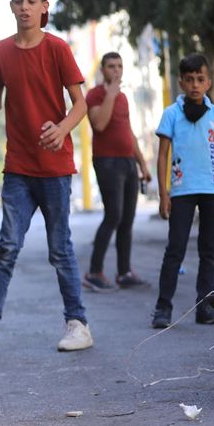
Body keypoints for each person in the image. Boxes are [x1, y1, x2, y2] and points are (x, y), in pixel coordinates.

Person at [0, 0, 93, 357]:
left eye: (32, 1)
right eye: (19, 1)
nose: (25, 7)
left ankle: (77, 323)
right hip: (18, 168)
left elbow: (80, 103)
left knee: (60, 248)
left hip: (55, 168)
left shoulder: (58, 49)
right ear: (11, 7)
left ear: (44, 7)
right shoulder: (0, 52)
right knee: (7, 247)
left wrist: (63, 129)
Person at [152, 53, 214, 328]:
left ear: (209, 82)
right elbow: (162, 155)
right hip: (182, 191)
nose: (195, 85)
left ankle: (205, 308)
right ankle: (163, 309)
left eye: (200, 79)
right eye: (189, 80)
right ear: (181, 83)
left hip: (212, 190)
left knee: (209, 251)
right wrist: (163, 194)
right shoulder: (171, 114)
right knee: (175, 250)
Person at [82, 52, 153, 292]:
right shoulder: (94, 95)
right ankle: (93, 272)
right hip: (106, 162)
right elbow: (99, 124)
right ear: (103, 70)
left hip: (127, 163)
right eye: (111, 66)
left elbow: (129, 132)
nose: (116, 70)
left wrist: (142, 164)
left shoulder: (123, 98)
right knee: (113, 215)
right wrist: (110, 95)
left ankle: (124, 272)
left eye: (119, 66)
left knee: (127, 219)